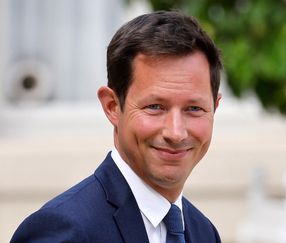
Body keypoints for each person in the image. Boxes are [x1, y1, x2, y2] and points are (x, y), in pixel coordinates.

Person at [11, 10, 222, 243]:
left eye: (194, 109)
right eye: (155, 107)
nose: (175, 132)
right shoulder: (64, 230)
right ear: (112, 106)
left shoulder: (204, 233)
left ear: (215, 107)